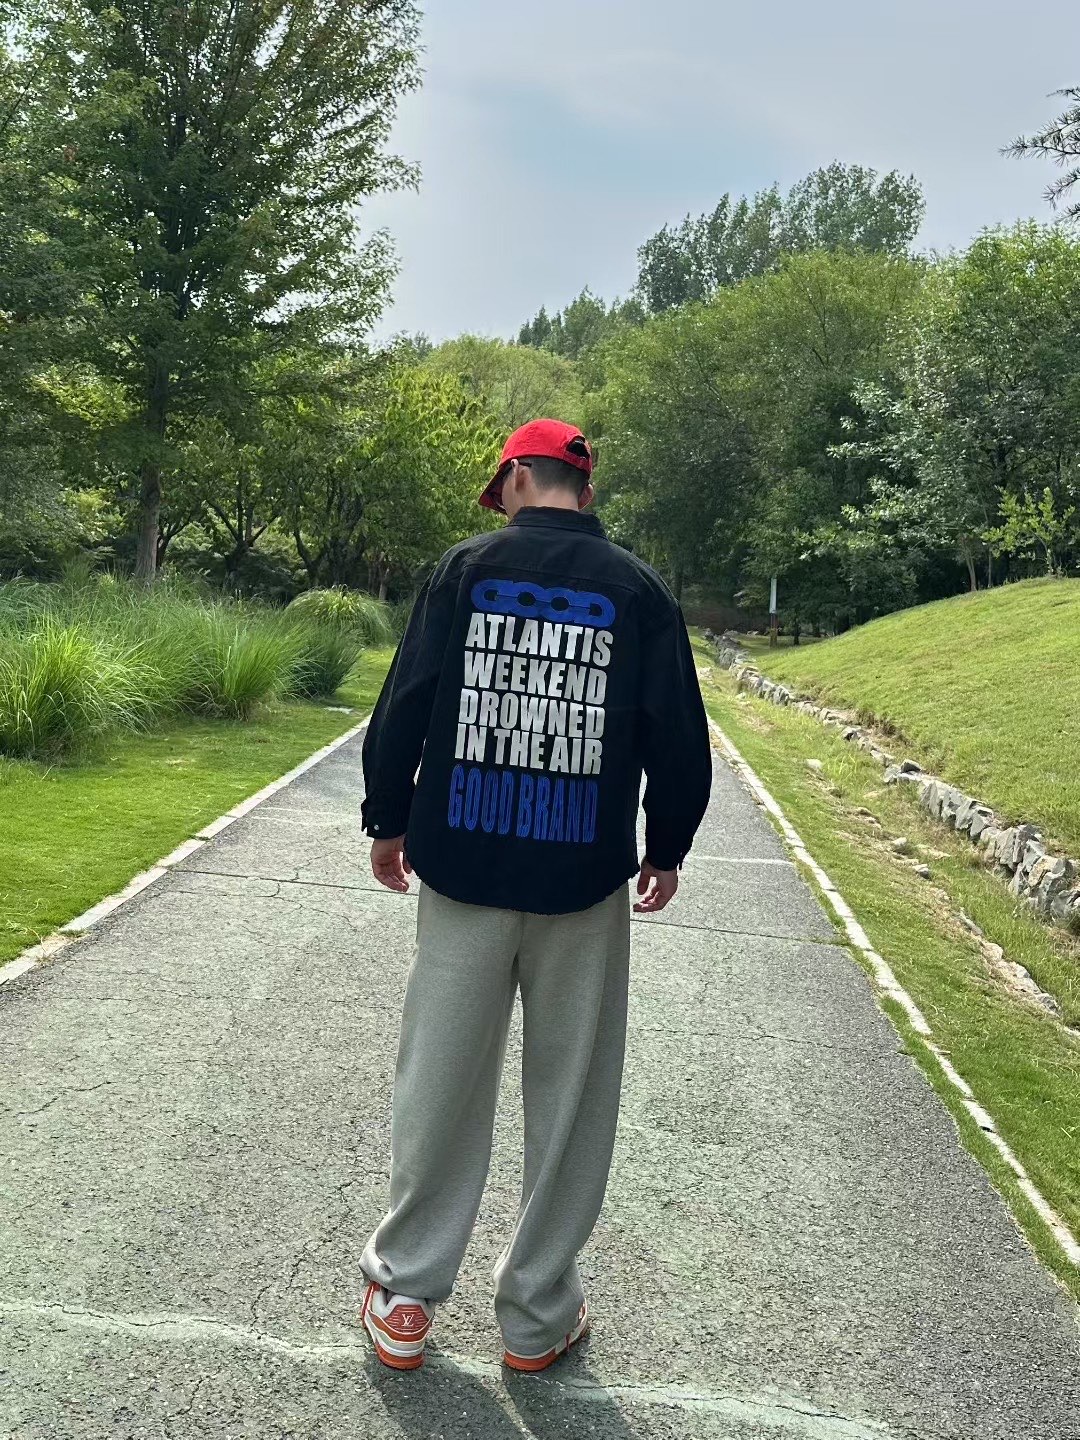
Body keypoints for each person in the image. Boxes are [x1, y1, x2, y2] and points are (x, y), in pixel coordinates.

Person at [358, 418, 712, 1372]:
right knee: (572, 1100)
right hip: (582, 880)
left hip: (463, 868)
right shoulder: (638, 590)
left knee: (439, 1079)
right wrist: (667, 845)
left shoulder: (464, 570)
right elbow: (679, 734)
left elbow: (407, 701)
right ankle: (537, 1315)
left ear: (515, 477)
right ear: (584, 491)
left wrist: (387, 818)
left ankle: (405, 1294)